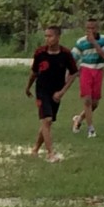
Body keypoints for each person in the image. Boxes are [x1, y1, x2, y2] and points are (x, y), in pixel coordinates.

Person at [25, 26, 78, 163]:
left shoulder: (65, 54)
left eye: (50, 36)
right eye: (46, 36)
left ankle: (36, 148)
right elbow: (34, 72)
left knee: (48, 123)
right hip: (42, 91)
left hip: (56, 92)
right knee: (47, 120)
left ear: (58, 37)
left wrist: (62, 91)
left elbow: (74, 73)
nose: (47, 39)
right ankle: (50, 154)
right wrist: (28, 87)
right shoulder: (40, 53)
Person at [70, 18, 104, 138]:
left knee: (95, 103)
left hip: (98, 70)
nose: (90, 31)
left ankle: (79, 119)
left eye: (93, 28)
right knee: (87, 100)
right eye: (88, 28)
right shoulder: (81, 42)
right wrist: (71, 72)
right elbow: (73, 58)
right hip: (85, 70)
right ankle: (91, 129)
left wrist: (94, 43)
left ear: (98, 29)